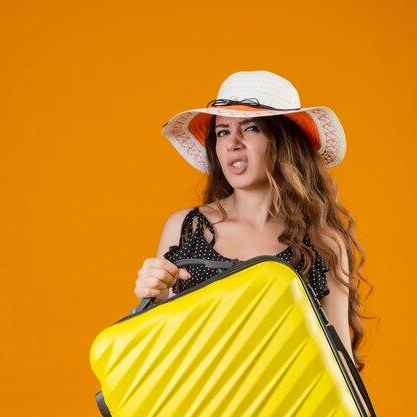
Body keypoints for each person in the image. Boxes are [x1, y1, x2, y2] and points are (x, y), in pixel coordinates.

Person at [134, 70, 370, 371]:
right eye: (222, 132)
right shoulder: (185, 227)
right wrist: (151, 299)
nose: (233, 142)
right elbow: (158, 349)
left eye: (251, 129)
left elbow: (340, 364)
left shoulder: (323, 241)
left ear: (283, 142)